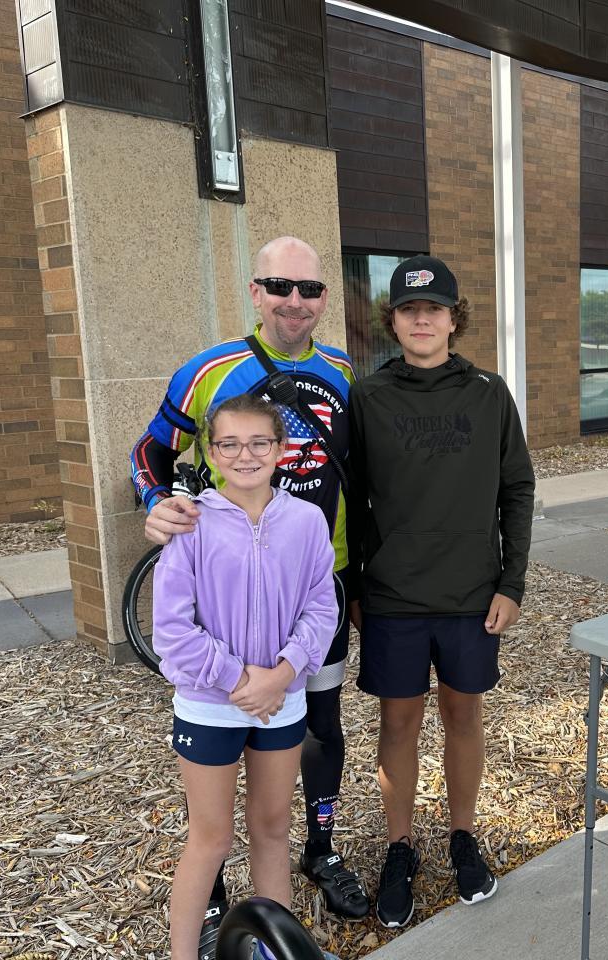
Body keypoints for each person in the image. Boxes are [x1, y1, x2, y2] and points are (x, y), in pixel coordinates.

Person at [131, 238, 370, 952]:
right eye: (279, 285)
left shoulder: (344, 373)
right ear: (255, 291)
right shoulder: (209, 371)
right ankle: (210, 901)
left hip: (318, 581)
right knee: (215, 811)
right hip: (226, 601)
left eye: (310, 288)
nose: (295, 300)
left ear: (325, 297)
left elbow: (365, 470)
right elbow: (150, 451)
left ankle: (319, 851)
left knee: (320, 727)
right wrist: (158, 502)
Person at [348, 255, 535, 928]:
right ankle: (399, 847)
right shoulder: (368, 397)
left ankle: (462, 835)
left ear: (455, 319)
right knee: (398, 723)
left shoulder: (489, 393)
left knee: (463, 714)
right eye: (409, 309)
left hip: (470, 593)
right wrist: (355, 586)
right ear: (393, 321)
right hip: (393, 594)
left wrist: (512, 583)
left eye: (434, 309)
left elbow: (517, 489)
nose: (422, 319)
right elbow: (351, 500)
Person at [153, 394, 336, 960]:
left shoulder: (306, 521)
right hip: (210, 705)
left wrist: (282, 674)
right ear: (211, 453)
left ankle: (272, 951)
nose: (245, 455)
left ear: (281, 449)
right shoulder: (191, 524)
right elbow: (171, 630)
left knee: (273, 827)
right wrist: (239, 679)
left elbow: (321, 608)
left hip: (281, 700)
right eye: (229, 444)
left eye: (259, 442)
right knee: (210, 838)